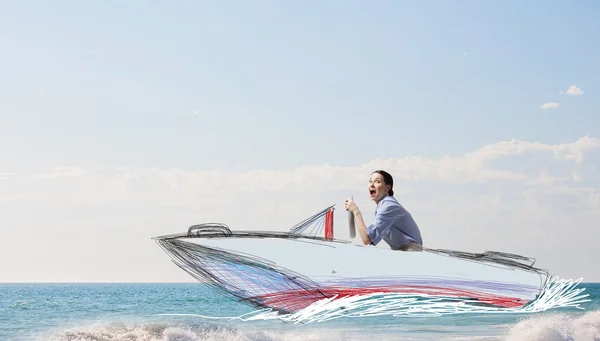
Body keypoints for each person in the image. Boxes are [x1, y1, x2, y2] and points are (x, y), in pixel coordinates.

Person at [344, 170, 423, 251]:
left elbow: (367, 239)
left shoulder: (388, 206)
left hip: (410, 250)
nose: (371, 184)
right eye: (370, 181)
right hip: (405, 249)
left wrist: (356, 212)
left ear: (387, 188)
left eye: (377, 181)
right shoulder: (385, 205)